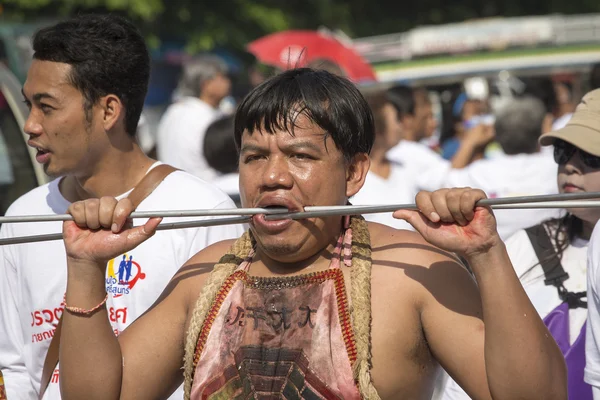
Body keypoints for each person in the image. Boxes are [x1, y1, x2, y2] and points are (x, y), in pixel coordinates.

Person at [57, 68, 566, 400]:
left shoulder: (413, 272)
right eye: (254, 157)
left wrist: (486, 255)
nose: (272, 176)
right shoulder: (205, 275)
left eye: (301, 156)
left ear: (354, 172)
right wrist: (84, 269)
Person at [0, 15, 242, 400]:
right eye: (29, 106)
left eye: (46, 107)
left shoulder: (202, 211)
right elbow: (15, 366)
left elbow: (220, 367)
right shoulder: (21, 218)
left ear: (109, 111)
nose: (30, 125)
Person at [445, 89, 600, 400]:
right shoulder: (523, 247)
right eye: (562, 153)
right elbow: (468, 374)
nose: (569, 166)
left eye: (590, 157)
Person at [408, 96, 560, 240]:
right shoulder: (557, 168)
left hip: (498, 257)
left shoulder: (480, 173)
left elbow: (438, 186)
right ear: (542, 130)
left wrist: (470, 143)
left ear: (497, 134)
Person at [157, 54, 231, 181]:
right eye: (222, 77)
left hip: (173, 185)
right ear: (206, 84)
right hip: (207, 186)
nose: (228, 82)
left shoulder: (172, 111)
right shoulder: (208, 118)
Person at [351, 91, 416, 230]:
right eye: (396, 120)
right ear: (378, 129)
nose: (400, 126)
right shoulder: (352, 176)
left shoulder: (405, 165)